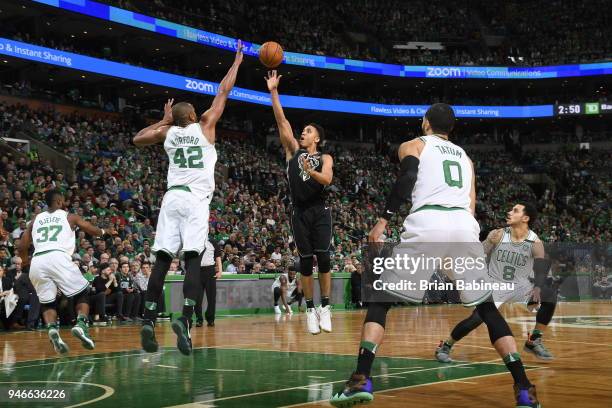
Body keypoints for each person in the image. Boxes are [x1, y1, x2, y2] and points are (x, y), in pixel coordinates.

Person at [330, 104, 540, 408]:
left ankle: (361, 379)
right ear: (451, 129)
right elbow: (470, 203)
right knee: (487, 309)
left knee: (380, 300)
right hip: (464, 227)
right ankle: (524, 389)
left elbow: (407, 179)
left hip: (428, 223)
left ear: (425, 122)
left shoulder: (414, 144)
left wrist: (383, 220)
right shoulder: (466, 159)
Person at [134, 41, 243, 355]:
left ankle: (149, 318)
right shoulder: (205, 125)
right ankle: (184, 316)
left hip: (171, 199)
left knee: (162, 260)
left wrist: (163, 121)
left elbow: (138, 139)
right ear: (194, 114)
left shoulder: (167, 133)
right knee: (193, 259)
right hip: (196, 200)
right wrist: (236, 63)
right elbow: (223, 91)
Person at [436, 203, 555, 362]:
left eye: (515, 210)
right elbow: (477, 255)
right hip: (495, 284)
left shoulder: (535, 242)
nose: (509, 212)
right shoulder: (498, 234)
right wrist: (487, 243)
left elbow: (541, 268)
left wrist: (538, 289)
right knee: (477, 318)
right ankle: (445, 345)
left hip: (520, 286)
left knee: (550, 295)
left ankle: (534, 340)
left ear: (525, 218)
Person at [265, 70, 334, 335]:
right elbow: (282, 121)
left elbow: (326, 179)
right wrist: (273, 92)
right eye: (302, 131)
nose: (302, 133)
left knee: (324, 258)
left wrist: (311, 170)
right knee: (305, 263)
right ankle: (309, 310)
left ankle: (325, 307)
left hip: (320, 210)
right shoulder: (293, 152)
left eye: (307, 131)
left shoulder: (324, 157)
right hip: (299, 212)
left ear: (316, 138)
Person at [19, 190, 111, 353]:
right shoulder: (69, 216)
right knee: (83, 292)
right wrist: (104, 232)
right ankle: (82, 324)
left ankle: (52, 328)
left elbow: (22, 245)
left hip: (38, 260)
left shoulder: (35, 220)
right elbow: (91, 229)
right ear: (60, 201)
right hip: (58, 257)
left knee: (47, 302)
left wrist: (26, 263)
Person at [194, 238, 222, 327]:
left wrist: (220, 271)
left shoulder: (213, 242)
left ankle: (210, 319)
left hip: (210, 270)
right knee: (197, 298)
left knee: (211, 297)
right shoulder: (194, 241)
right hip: (197, 271)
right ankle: (199, 319)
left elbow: (218, 257)